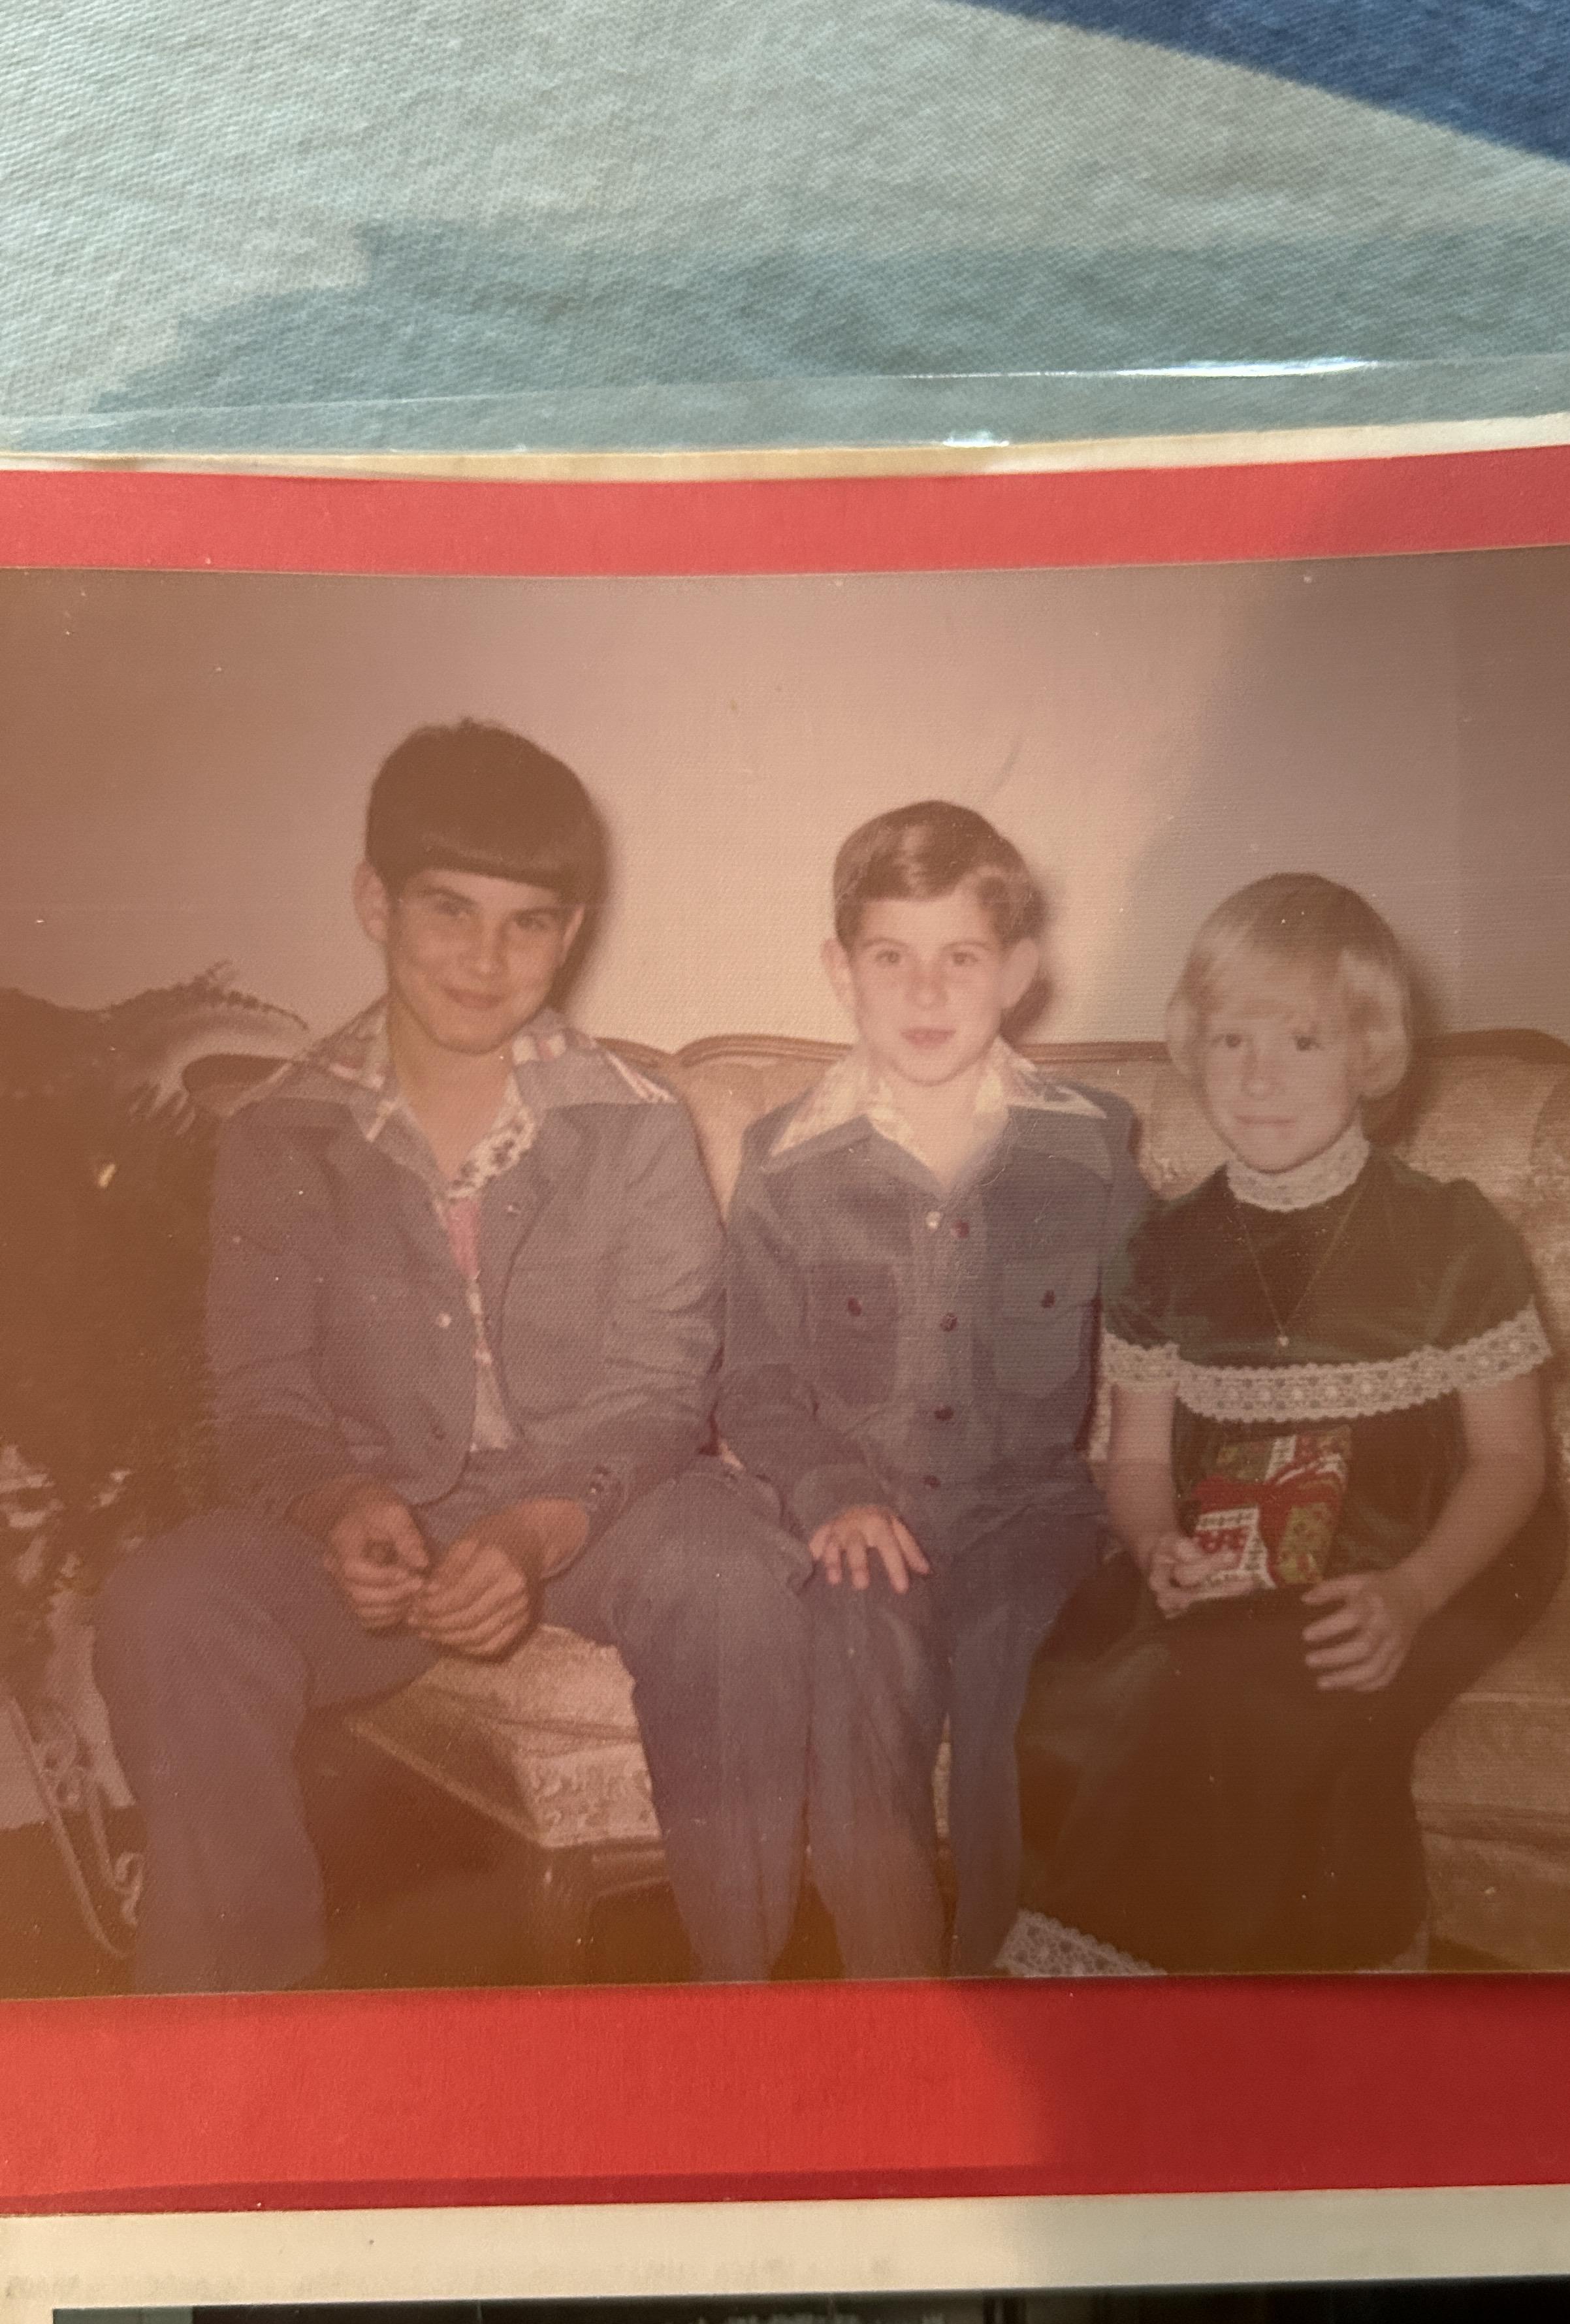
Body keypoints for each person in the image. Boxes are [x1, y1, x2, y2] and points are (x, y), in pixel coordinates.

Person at [93, 720, 797, 1992]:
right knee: (168, 1604)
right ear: (376, 900)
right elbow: (260, 1398)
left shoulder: (634, 1130)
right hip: (376, 1518)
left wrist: (533, 1532)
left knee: (731, 1569)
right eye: (448, 910)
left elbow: (658, 1387)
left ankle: (743, 2008)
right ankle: (233, 2049)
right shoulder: (281, 1137)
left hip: (597, 1499)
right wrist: (339, 1505)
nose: (486, 958)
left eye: (528, 922)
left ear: (570, 932)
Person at [1016, 870, 1566, 1973]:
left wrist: (1414, 1595)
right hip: (1239, 1530)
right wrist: (1155, 1543)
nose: (1259, 1078)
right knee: (1080, 1688)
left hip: (1439, 1532)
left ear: (1368, 1053)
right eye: (1230, 1042)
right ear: (1193, 1046)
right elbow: (1135, 1459)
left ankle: (1298, 2017)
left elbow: (1512, 1461)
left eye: (1302, 1043)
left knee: (1263, 1689)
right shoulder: (1162, 1252)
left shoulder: (1452, 1237)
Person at [714, 801, 1148, 1976]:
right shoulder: (785, 1162)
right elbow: (750, 1383)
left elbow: (1168, 1340)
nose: (924, 993)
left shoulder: (1092, 1147)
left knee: (1026, 1702)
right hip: (869, 1511)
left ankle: (1016, 1998)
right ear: (839, 971)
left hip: (1031, 1517)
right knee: (858, 1672)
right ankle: (894, 2001)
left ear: (1017, 973)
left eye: (960, 958)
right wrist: (832, 1490)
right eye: (890, 959)